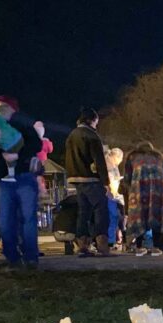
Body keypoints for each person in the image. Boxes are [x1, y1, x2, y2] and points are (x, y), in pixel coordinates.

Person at [0, 96, 44, 269]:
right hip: (5, 178)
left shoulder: (23, 126)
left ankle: (30, 257)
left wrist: (19, 155)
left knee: (27, 218)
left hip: (23, 175)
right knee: (6, 219)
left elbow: (36, 145)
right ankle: (13, 257)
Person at [64, 107, 112, 256]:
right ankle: (102, 243)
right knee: (101, 209)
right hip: (90, 178)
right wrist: (106, 182)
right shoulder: (91, 135)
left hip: (76, 178)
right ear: (92, 120)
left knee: (83, 212)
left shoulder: (71, 135)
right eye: (96, 122)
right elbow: (99, 160)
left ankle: (82, 244)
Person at [121, 141, 163, 256]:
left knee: (139, 216)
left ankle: (139, 246)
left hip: (139, 190)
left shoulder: (132, 157)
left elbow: (127, 178)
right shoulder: (160, 157)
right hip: (159, 192)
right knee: (157, 215)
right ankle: (158, 246)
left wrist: (130, 189)